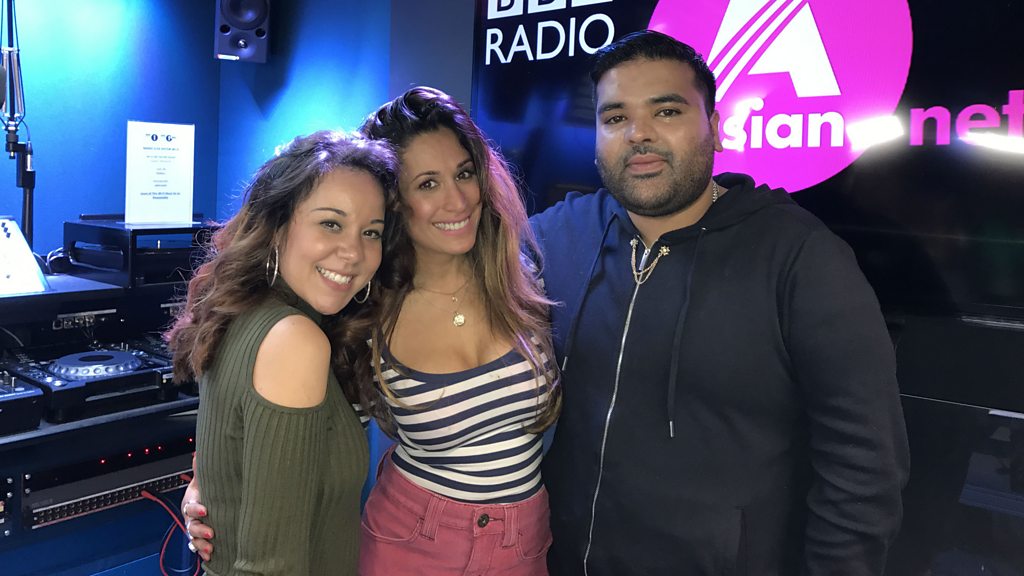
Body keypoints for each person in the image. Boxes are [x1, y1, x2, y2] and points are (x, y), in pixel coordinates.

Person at [530, 30, 910, 575]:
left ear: (715, 126)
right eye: (615, 117)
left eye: (666, 111)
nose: (638, 133)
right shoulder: (555, 237)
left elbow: (864, 468)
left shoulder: (799, 257)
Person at [182, 87, 561, 575]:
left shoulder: (521, 279)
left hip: (524, 543)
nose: (457, 199)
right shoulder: (363, 311)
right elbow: (268, 421)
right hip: (414, 541)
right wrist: (206, 484)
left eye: (465, 173)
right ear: (396, 204)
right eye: (427, 183)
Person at [167, 130, 398, 576]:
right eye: (331, 224)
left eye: (371, 232)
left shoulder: (246, 311)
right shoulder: (295, 339)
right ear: (278, 226)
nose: (353, 252)